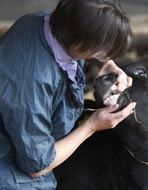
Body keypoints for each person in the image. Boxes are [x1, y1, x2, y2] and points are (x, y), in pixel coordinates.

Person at [0, 0, 136, 189]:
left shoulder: (39, 22)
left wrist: (108, 64)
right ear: (82, 42)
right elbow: (37, 165)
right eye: (101, 50)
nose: (102, 54)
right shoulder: (35, 83)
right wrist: (91, 126)